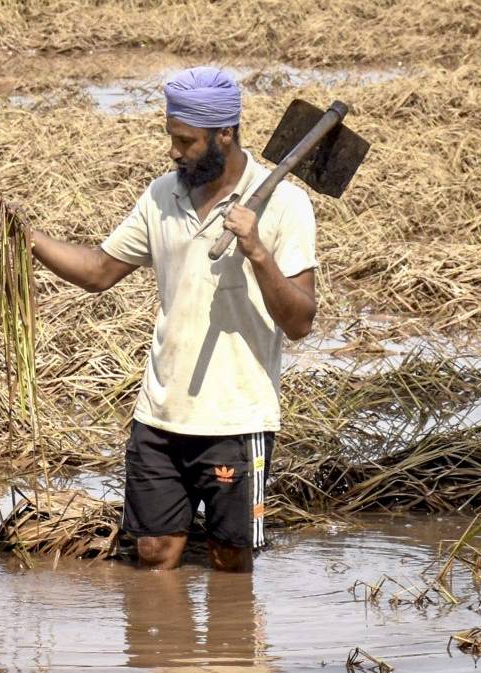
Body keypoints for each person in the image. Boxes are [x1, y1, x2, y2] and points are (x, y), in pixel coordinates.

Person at [29, 66, 318, 573]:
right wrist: (26, 238)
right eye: (171, 137)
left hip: (237, 419)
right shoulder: (162, 195)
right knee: (154, 555)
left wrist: (258, 253)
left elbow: (300, 321)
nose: (174, 151)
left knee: (231, 563)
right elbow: (99, 272)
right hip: (159, 417)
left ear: (224, 134)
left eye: (186, 141)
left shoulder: (285, 206)